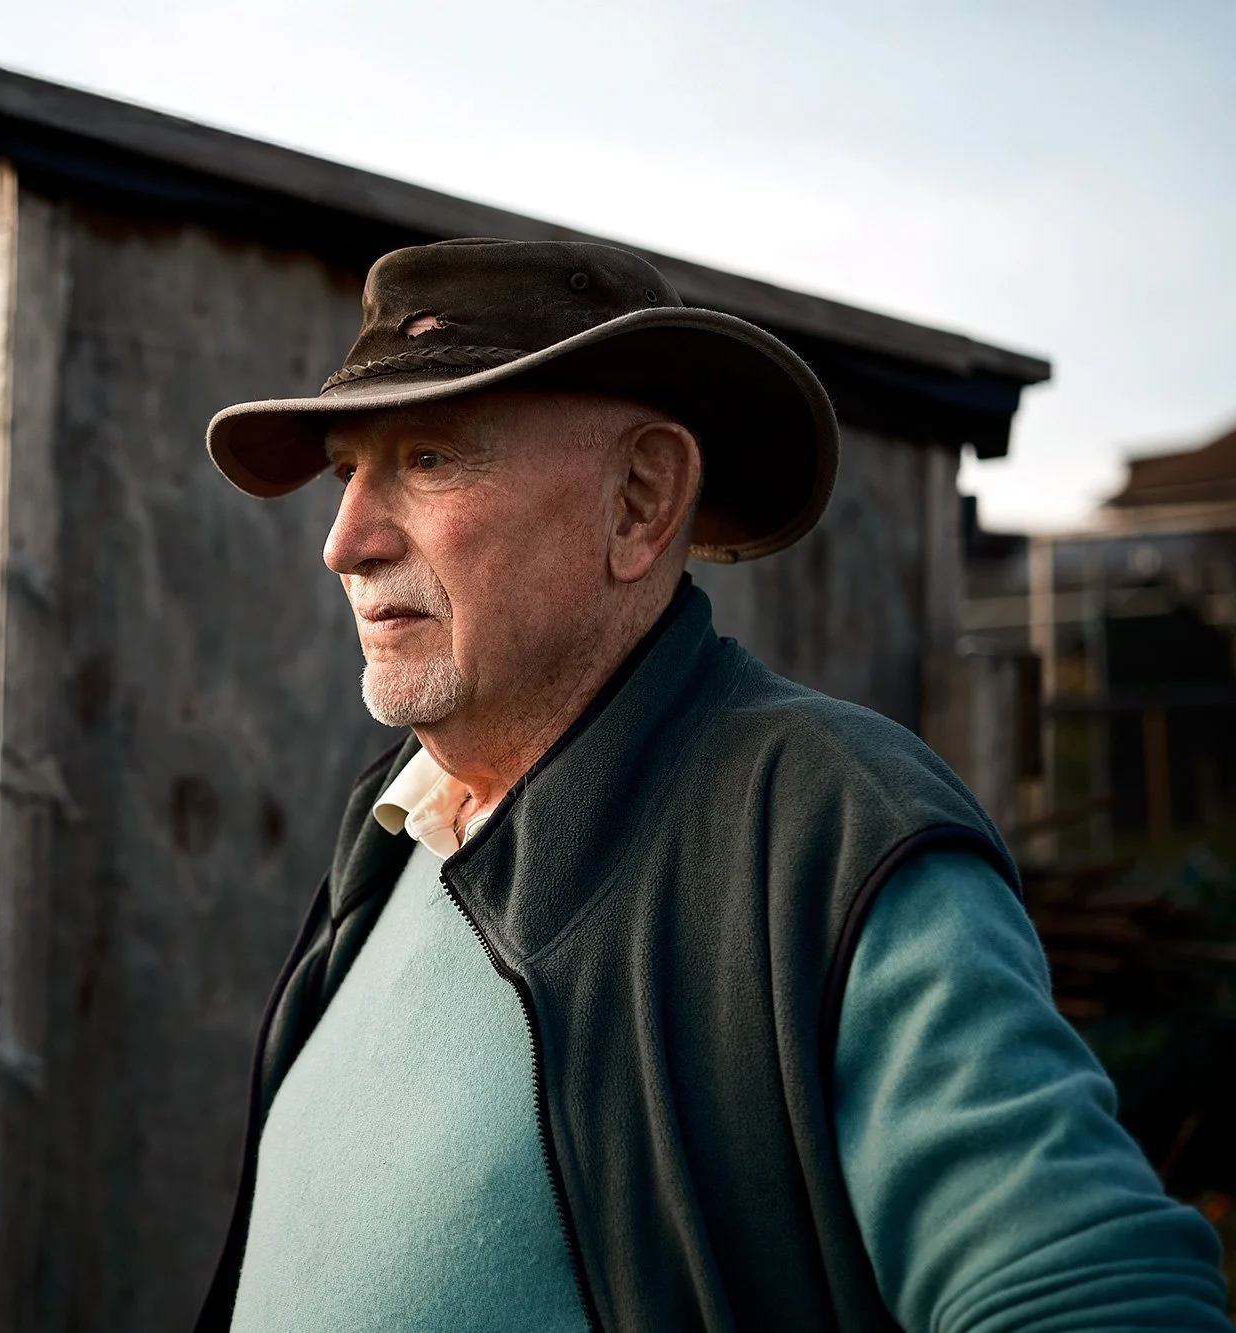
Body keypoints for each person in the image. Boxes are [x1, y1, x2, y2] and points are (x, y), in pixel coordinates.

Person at [192, 238, 1230, 1332]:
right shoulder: (392, 820)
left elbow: (1095, 1299)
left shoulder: (819, 823)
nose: (342, 541)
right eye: (349, 467)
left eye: (430, 459)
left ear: (638, 501)